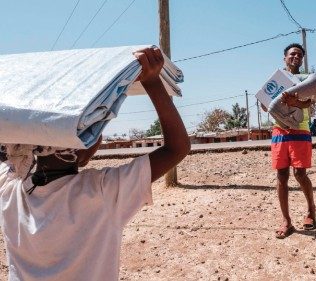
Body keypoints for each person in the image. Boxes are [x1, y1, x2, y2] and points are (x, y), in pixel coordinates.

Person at [0, 47, 190, 280]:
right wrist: (151, 81)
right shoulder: (103, 192)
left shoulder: (8, 189)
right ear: (80, 147)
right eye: (95, 131)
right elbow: (177, 148)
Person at [261, 43, 316, 239]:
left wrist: (296, 103)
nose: (296, 57)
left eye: (300, 55)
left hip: (300, 130)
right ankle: (286, 221)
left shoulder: (307, 79)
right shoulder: (277, 79)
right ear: (284, 57)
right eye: (292, 54)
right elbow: (265, 106)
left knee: (300, 174)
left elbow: (310, 103)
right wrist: (264, 100)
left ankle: (311, 210)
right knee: (281, 176)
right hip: (279, 131)